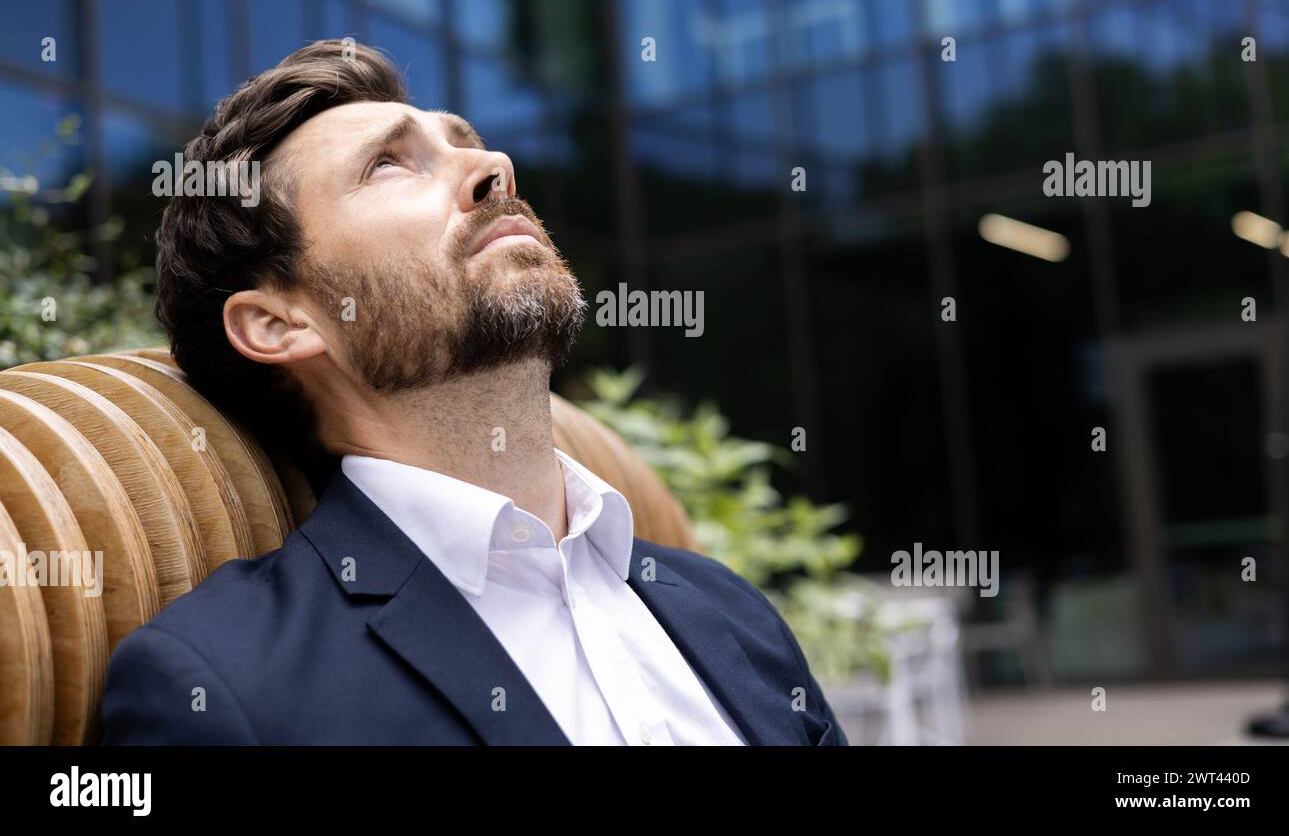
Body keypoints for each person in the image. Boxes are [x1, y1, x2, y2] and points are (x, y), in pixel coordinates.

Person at [99, 39, 848, 746]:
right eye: (389, 165)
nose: (494, 164)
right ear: (276, 322)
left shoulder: (729, 610)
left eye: (467, 139)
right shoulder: (223, 686)